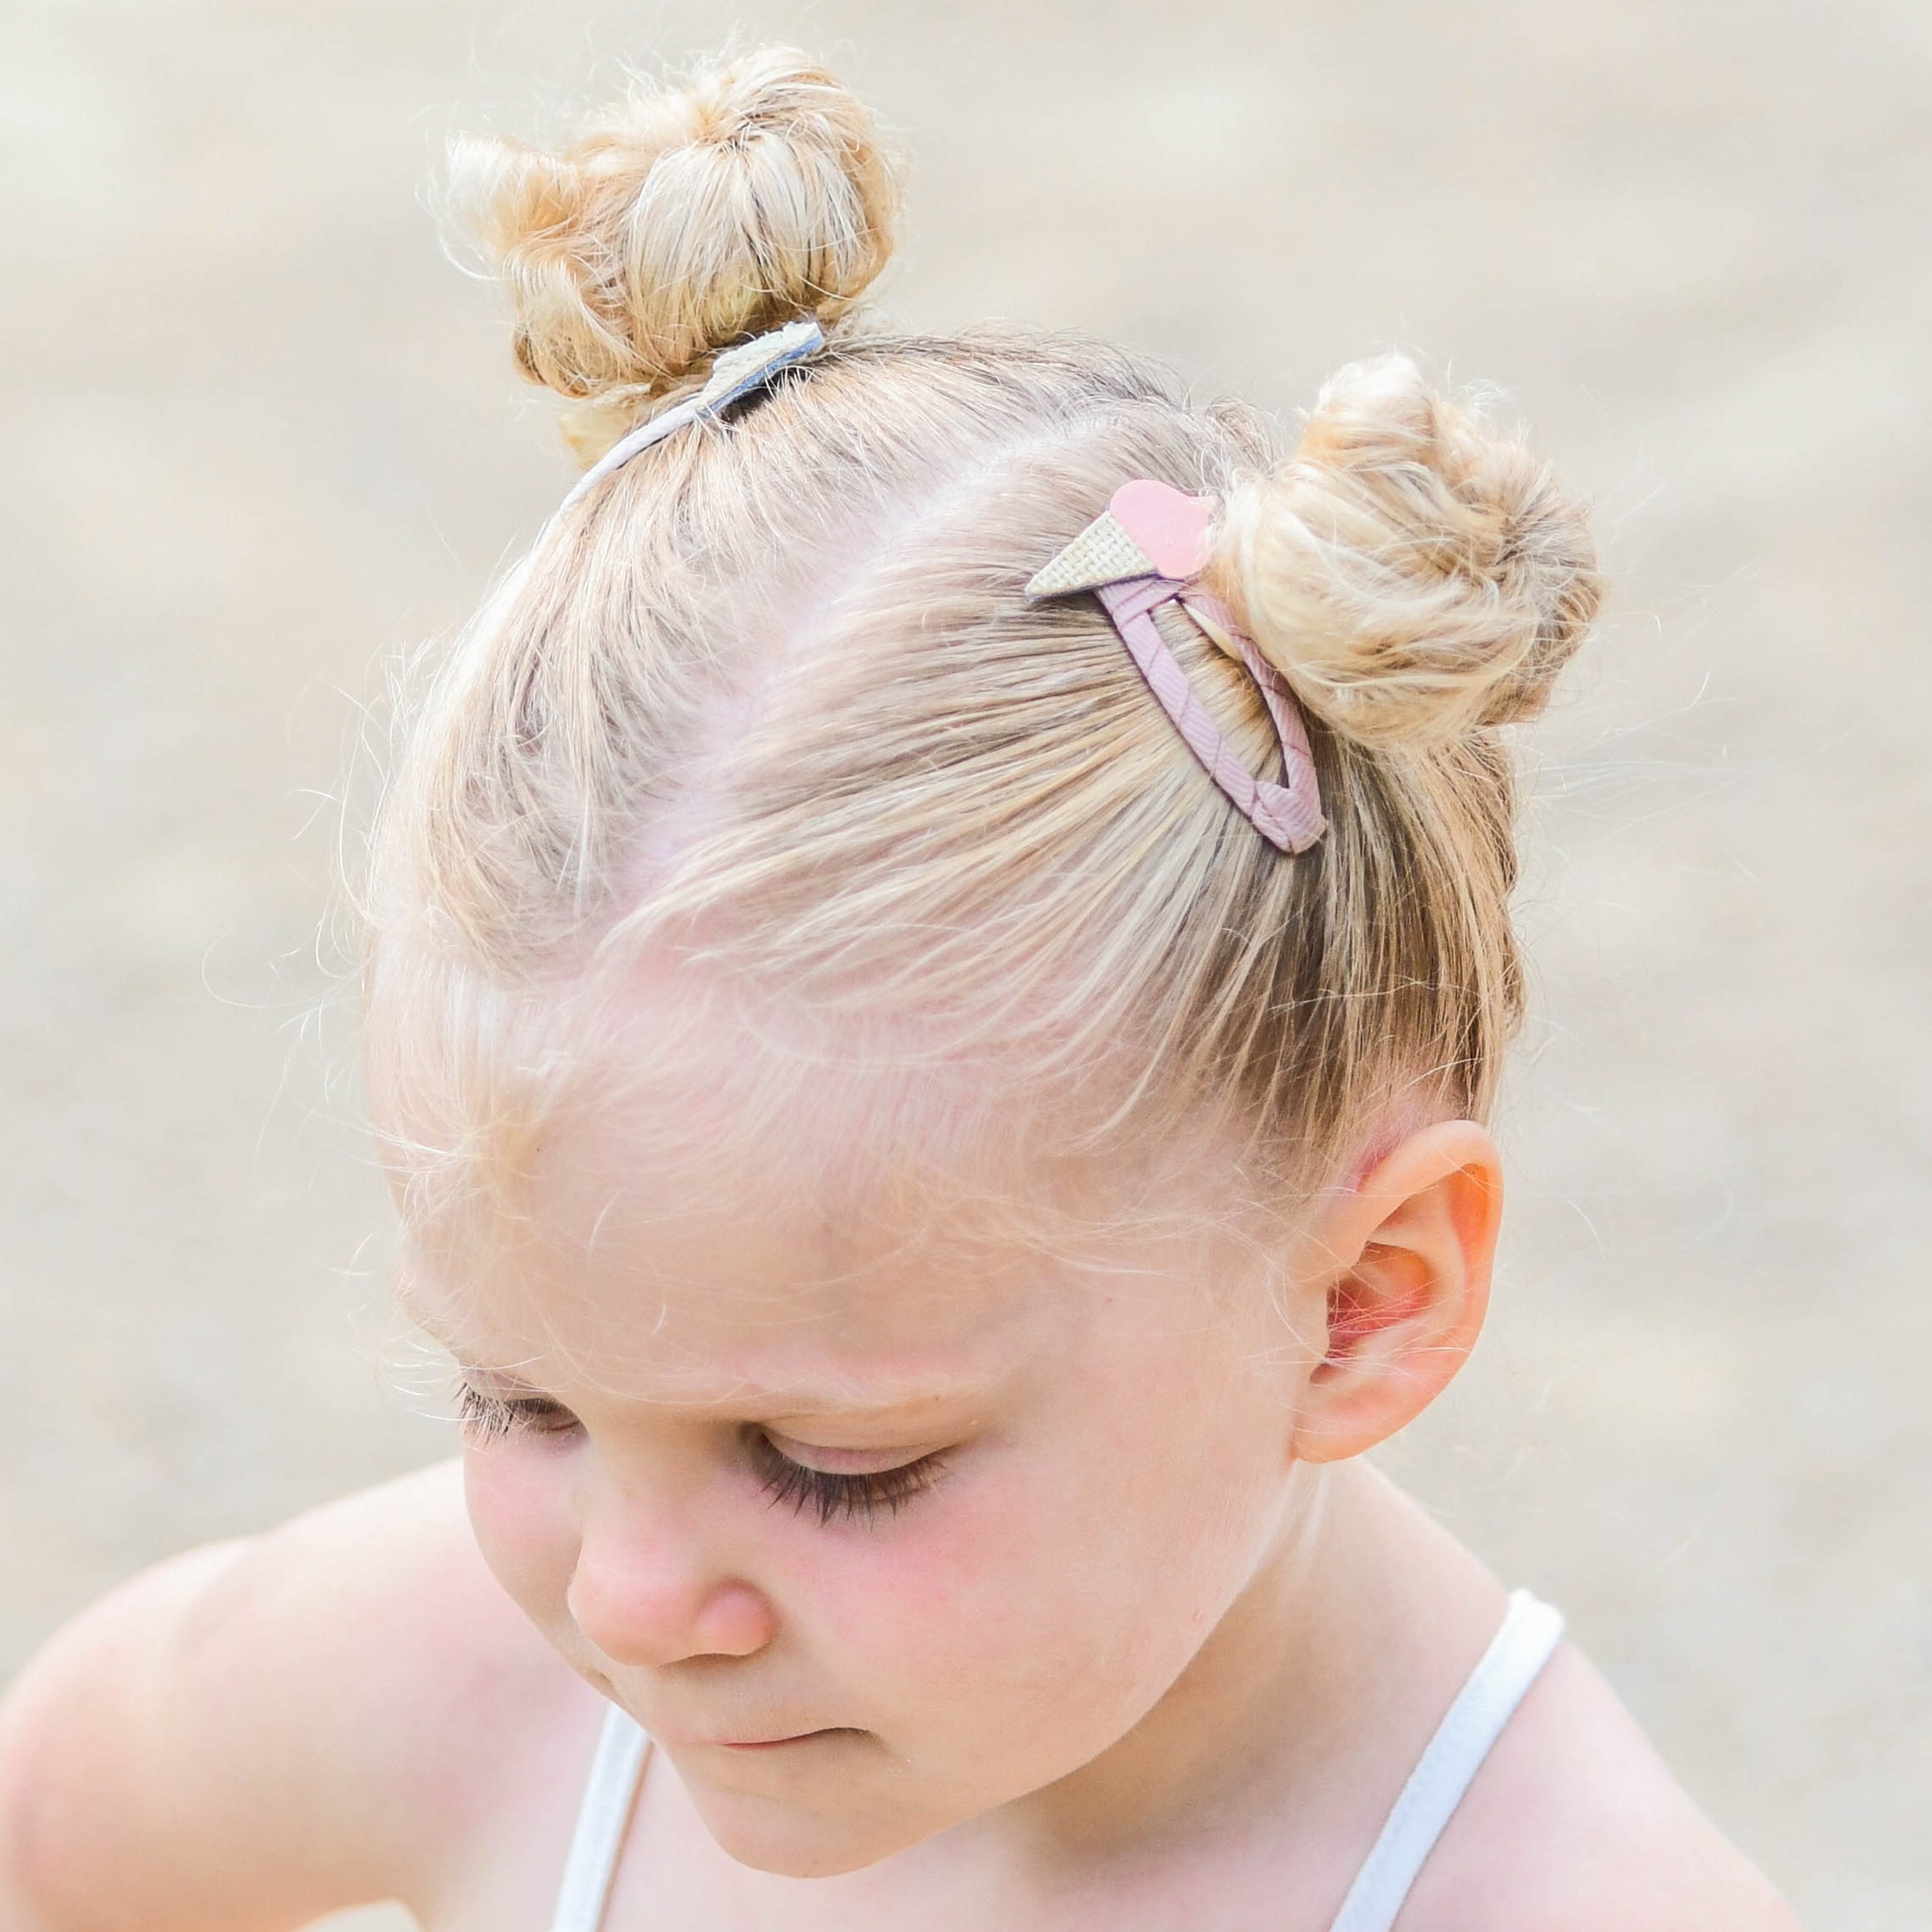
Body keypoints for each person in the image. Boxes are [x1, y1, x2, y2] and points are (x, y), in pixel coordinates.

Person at [0, 46, 1800, 1932]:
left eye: (831, 1466)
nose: (625, 1598)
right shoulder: (445, 1692)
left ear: (1359, 1303)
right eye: (520, 1403)